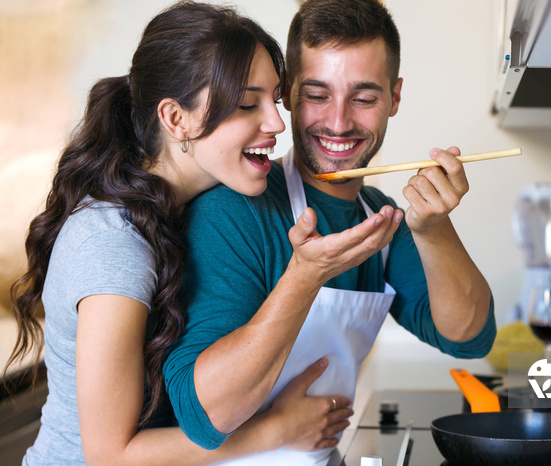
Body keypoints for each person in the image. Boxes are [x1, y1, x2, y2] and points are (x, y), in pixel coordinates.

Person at [3, 2, 400, 464]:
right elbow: (110, 456)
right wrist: (274, 431)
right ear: (175, 119)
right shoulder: (115, 242)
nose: (275, 124)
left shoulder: (178, 213)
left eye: (274, 99)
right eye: (247, 104)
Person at [163, 0, 497, 463]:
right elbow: (205, 412)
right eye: (317, 95)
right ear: (288, 94)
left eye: (363, 98)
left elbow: (469, 336)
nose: (338, 123)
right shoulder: (233, 210)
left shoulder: (381, 218)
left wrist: (435, 229)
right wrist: (304, 276)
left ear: (394, 98)